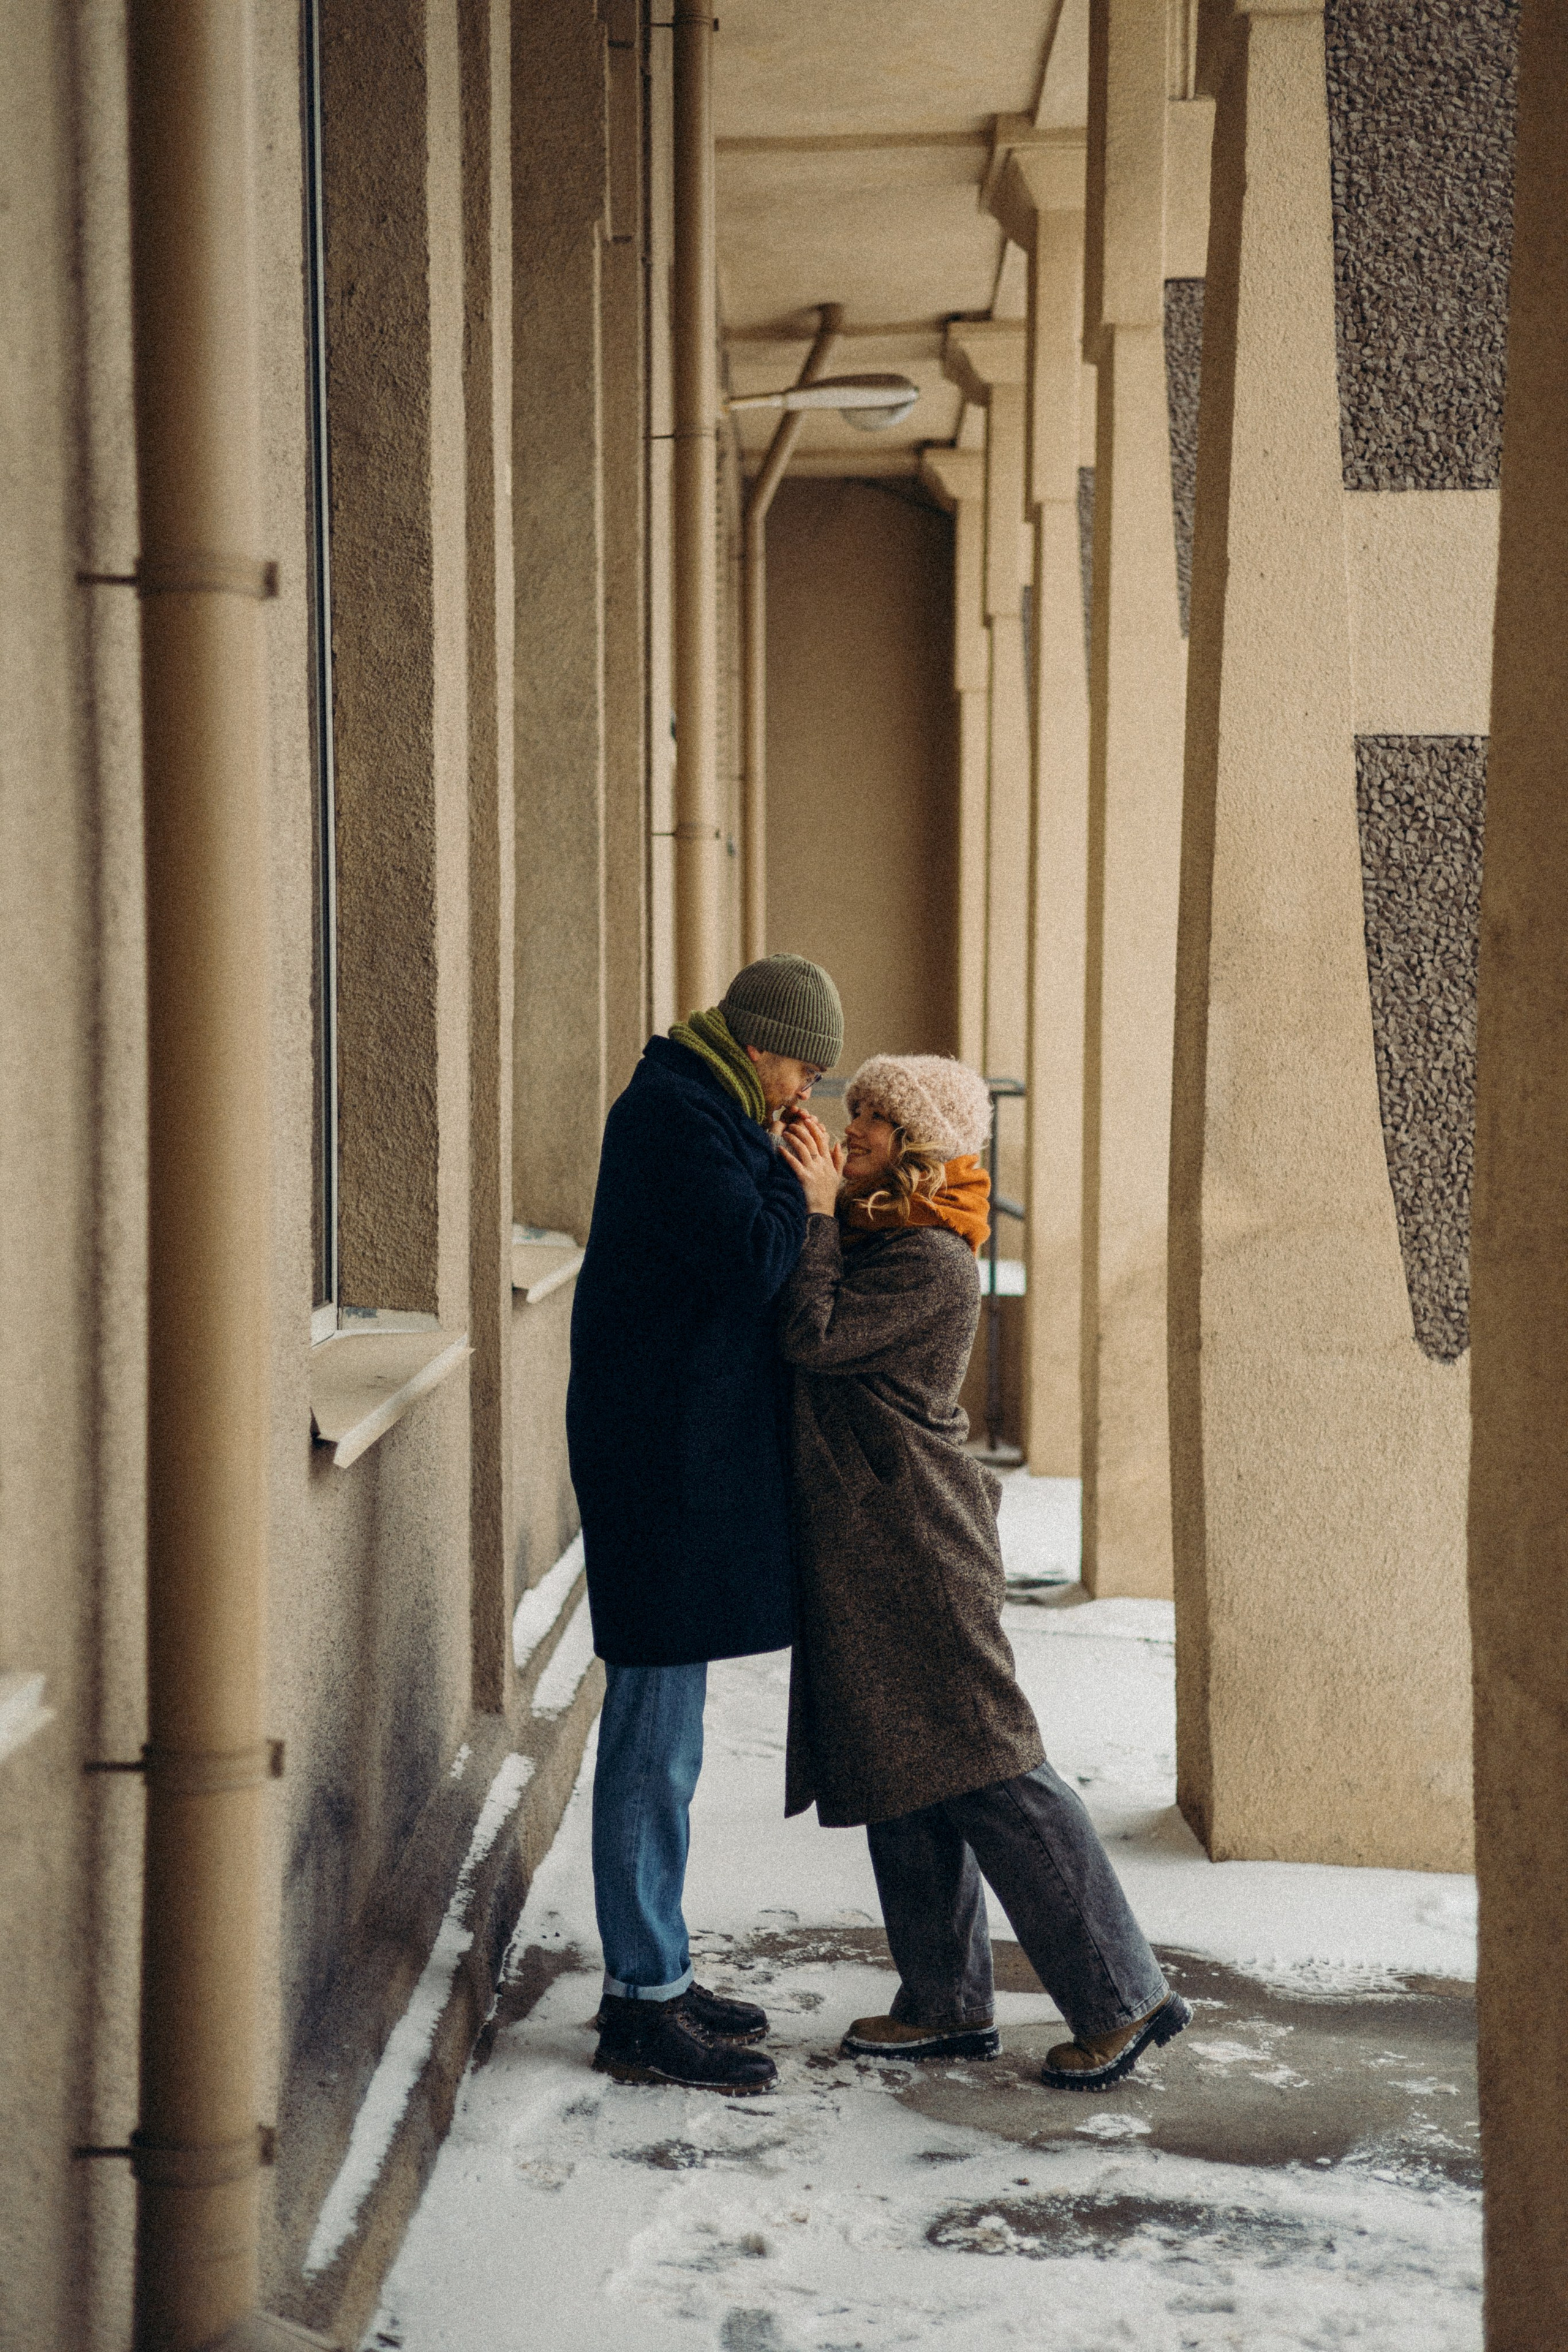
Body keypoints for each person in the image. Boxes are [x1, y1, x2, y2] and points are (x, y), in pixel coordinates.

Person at [775, 1054, 1189, 2091]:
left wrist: (818, 1213)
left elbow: (811, 1336)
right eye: (854, 1107)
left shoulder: (925, 1257)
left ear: (918, 1146)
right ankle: (945, 2004)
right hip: (875, 1545)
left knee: (992, 1763)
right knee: (901, 1765)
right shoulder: (884, 1235)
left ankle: (1122, 1993)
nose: (853, 1124)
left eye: (877, 1116)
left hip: (920, 1542)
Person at [567, 952, 843, 2094]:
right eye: (804, 1072)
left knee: (667, 1740)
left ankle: (660, 1973)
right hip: (655, 1468)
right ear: (763, 1043)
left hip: (668, 1459)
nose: (807, 1098)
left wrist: (782, 1176)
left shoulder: (702, 1103)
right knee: (651, 1741)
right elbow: (754, 1260)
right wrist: (809, 1195)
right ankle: (641, 2002)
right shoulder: (679, 1114)